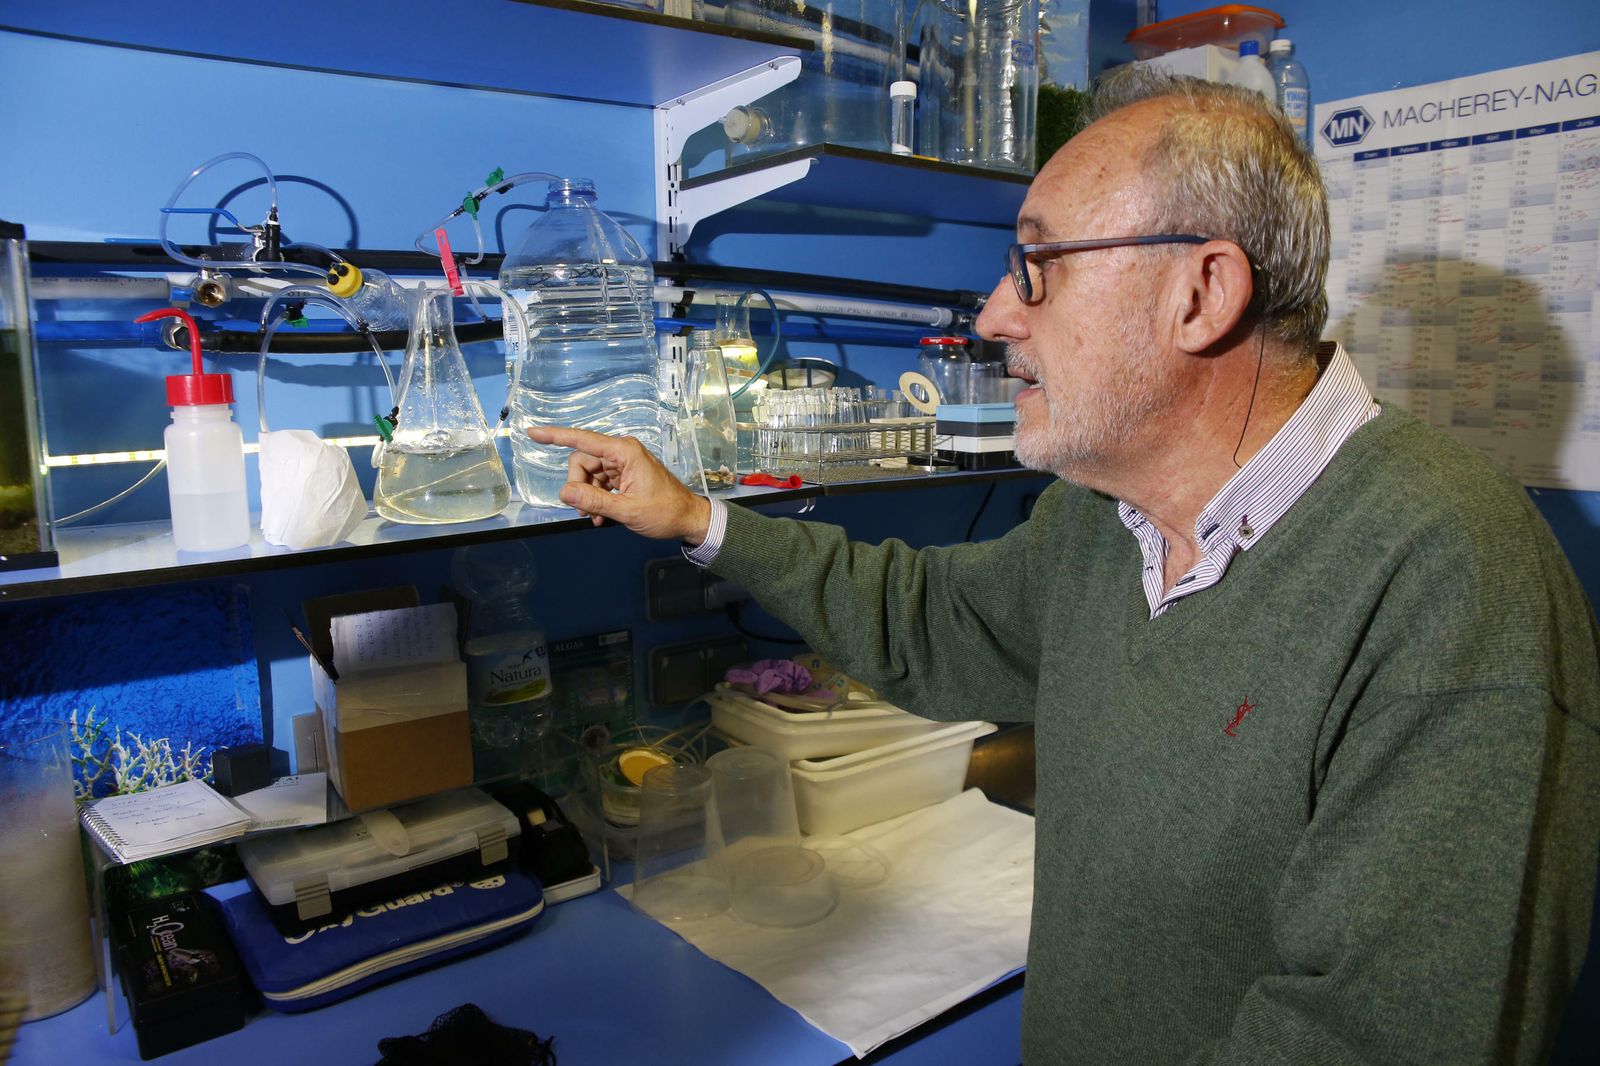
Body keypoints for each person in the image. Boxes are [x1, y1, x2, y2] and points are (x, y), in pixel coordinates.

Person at [530, 67, 1600, 1064]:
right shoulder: (1103, 518)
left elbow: (1376, 1036)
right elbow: (929, 620)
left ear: (1199, 293)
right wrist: (696, 518)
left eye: (1035, 266)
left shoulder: (1453, 577)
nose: (994, 314)